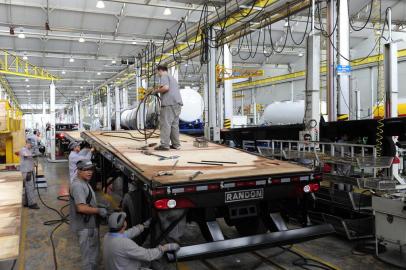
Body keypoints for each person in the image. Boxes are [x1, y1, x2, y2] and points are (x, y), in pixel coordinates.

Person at [103, 212, 180, 270]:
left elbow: (128, 233)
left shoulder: (107, 237)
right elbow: (148, 255)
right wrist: (165, 248)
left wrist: (143, 226)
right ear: (124, 225)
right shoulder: (124, 244)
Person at [70, 160, 108, 270]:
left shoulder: (84, 182)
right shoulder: (78, 186)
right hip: (85, 227)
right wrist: (98, 211)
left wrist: (98, 204)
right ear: (78, 171)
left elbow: (87, 200)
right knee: (89, 257)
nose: (89, 172)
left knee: (94, 253)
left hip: (89, 225)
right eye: (86, 170)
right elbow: (81, 207)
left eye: (91, 169)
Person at [153, 65, 183, 151]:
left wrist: (156, 91)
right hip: (177, 104)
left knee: (165, 124)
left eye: (157, 72)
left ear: (160, 70)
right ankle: (176, 145)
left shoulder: (164, 76)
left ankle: (164, 145)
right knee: (174, 125)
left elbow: (165, 88)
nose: (157, 74)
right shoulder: (172, 78)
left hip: (169, 104)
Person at [19, 139, 40, 209]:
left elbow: (30, 159)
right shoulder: (23, 150)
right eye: (31, 144)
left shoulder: (28, 150)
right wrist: (35, 154)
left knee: (28, 187)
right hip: (27, 172)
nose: (31, 146)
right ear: (27, 143)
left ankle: (27, 202)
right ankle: (32, 204)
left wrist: (34, 163)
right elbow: (26, 155)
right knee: (30, 187)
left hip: (30, 171)